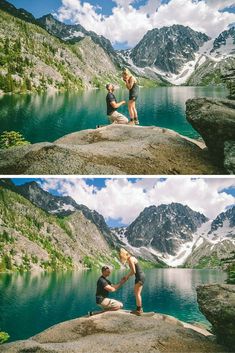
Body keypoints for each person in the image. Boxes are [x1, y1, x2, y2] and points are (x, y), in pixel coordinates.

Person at [119, 248, 145, 316]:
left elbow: (134, 271)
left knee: (137, 293)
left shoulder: (130, 259)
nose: (122, 258)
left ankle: (139, 311)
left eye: (122, 257)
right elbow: (133, 271)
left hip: (139, 277)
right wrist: (127, 277)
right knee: (137, 293)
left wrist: (127, 276)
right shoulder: (131, 258)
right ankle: (139, 309)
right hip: (140, 276)